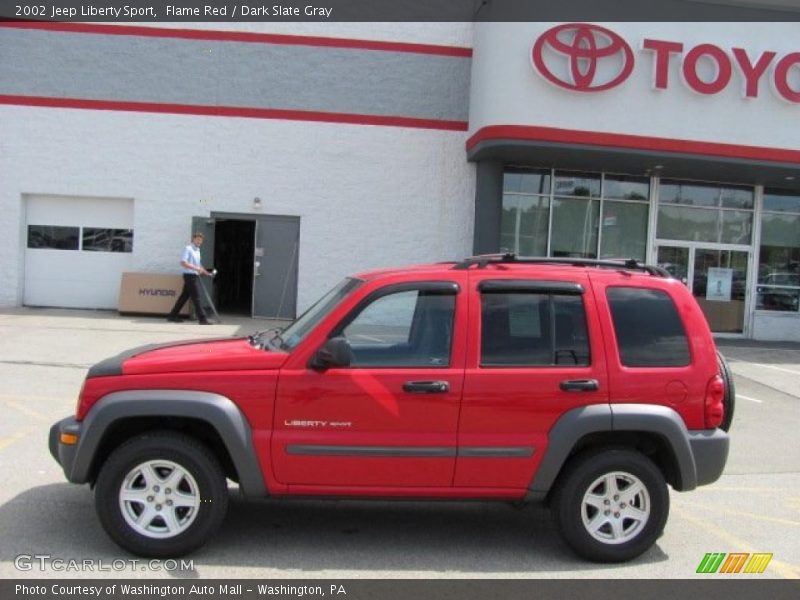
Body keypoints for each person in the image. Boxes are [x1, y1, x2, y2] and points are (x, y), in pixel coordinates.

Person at [167, 232, 212, 324]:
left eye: (201, 240)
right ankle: (203, 319)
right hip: (189, 276)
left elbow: (198, 265)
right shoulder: (188, 248)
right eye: (197, 239)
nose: (199, 241)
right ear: (193, 239)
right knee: (197, 297)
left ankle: (172, 315)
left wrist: (207, 273)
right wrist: (196, 268)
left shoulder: (198, 250)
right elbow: (183, 263)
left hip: (193, 275)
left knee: (184, 296)